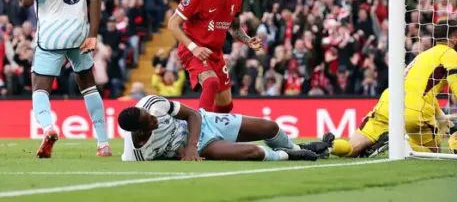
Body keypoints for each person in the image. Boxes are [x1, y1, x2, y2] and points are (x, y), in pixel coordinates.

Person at [328, 19, 457, 157]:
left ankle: (326, 146)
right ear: (454, 37)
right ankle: (400, 143)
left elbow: (420, 87)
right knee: (434, 154)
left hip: (388, 104)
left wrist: (439, 115)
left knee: (351, 148)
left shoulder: (422, 56)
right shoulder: (450, 54)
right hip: (415, 113)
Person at [16, 0, 111, 158]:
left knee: (40, 86)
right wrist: (93, 34)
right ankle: (103, 143)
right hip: (79, 32)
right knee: (88, 85)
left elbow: (25, 1)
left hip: (51, 34)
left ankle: (48, 128)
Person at [168, 0, 261, 113]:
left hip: (215, 53)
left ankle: (215, 134)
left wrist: (247, 40)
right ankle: (200, 131)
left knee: (225, 106)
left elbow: (234, 27)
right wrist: (194, 48)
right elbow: (173, 24)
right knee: (211, 82)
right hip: (194, 50)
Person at [118, 95, 328, 161]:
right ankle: (290, 156)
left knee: (269, 127)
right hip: (204, 146)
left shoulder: (151, 104)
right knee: (253, 152)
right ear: (140, 131)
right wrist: (188, 150)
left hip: (204, 122)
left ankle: (295, 147)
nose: (155, 118)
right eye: (150, 122)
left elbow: (192, 114)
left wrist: (189, 147)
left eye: (151, 116)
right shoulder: (137, 154)